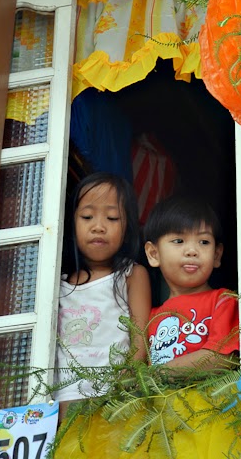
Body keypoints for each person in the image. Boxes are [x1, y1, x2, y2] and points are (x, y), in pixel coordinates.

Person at [55, 172, 151, 401]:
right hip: (63, 399)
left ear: (127, 227)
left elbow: (140, 341)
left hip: (114, 398)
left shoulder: (130, 275)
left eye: (112, 218)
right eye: (87, 217)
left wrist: (124, 385)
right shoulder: (57, 282)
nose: (99, 226)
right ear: (71, 223)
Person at [144, 195, 239, 369]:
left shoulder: (223, 301)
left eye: (204, 242)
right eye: (179, 241)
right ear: (153, 254)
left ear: (216, 254)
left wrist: (160, 374)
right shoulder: (150, 317)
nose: (192, 251)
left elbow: (222, 359)